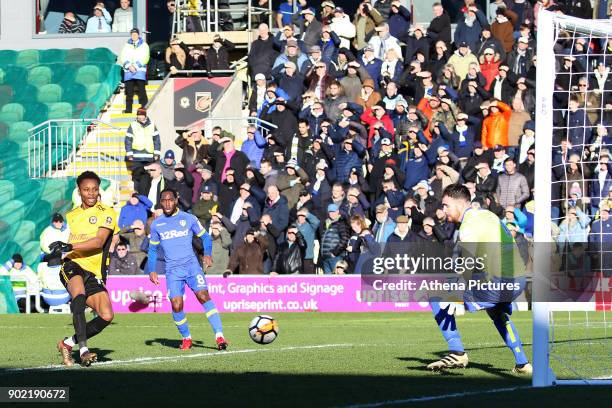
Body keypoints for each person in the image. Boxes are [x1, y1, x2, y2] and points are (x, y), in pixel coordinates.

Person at [426, 184, 531, 374]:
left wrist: (456, 293)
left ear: (459, 203)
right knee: (496, 312)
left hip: (498, 281)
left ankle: (457, 352)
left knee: (435, 295)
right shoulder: (488, 215)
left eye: (446, 205)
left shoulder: (469, 225)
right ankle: (522, 363)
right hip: (517, 278)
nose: (443, 210)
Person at [52, 171, 119, 367]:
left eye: (95, 189)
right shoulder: (71, 215)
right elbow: (72, 244)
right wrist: (62, 250)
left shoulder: (107, 212)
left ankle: (67, 343)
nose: (91, 193)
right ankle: (83, 350)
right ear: (79, 191)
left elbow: (98, 242)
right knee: (79, 295)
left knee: (107, 315)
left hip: (94, 271)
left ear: (99, 191)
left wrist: (69, 246)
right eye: (86, 190)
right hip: (72, 265)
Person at [147, 188, 228, 351]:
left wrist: (207, 254)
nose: (167, 203)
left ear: (176, 200)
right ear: (161, 203)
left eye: (170, 199)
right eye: (164, 200)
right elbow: (153, 249)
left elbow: (205, 236)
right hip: (172, 271)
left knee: (203, 296)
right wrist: (152, 270)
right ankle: (186, 338)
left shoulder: (189, 218)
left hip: (192, 266)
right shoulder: (157, 224)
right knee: (176, 305)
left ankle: (219, 336)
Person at [125, 109, 161, 193]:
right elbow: (128, 140)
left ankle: (147, 195)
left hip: (149, 157)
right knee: (137, 177)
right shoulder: (133, 125)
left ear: (145, 116)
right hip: (136, 156)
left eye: (141, 115)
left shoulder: (152, 125)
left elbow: (156, 140)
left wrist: (156, 153)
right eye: (138, 115)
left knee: (148, 177)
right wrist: (129, 153)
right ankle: (137, 195)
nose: (139, 117)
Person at [120, 28, 150, 114]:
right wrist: (129, 66)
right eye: (132, 34)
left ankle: (145, 108)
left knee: (142, 90)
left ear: (138, 35)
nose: (134, 36)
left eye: (135, 34)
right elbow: (123, 56)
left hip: (139, 70)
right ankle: (128, 110)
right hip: (128, 71)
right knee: (129, 92)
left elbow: (145, 57)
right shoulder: (126, 45)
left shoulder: (144, 45)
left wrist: (136, 66)